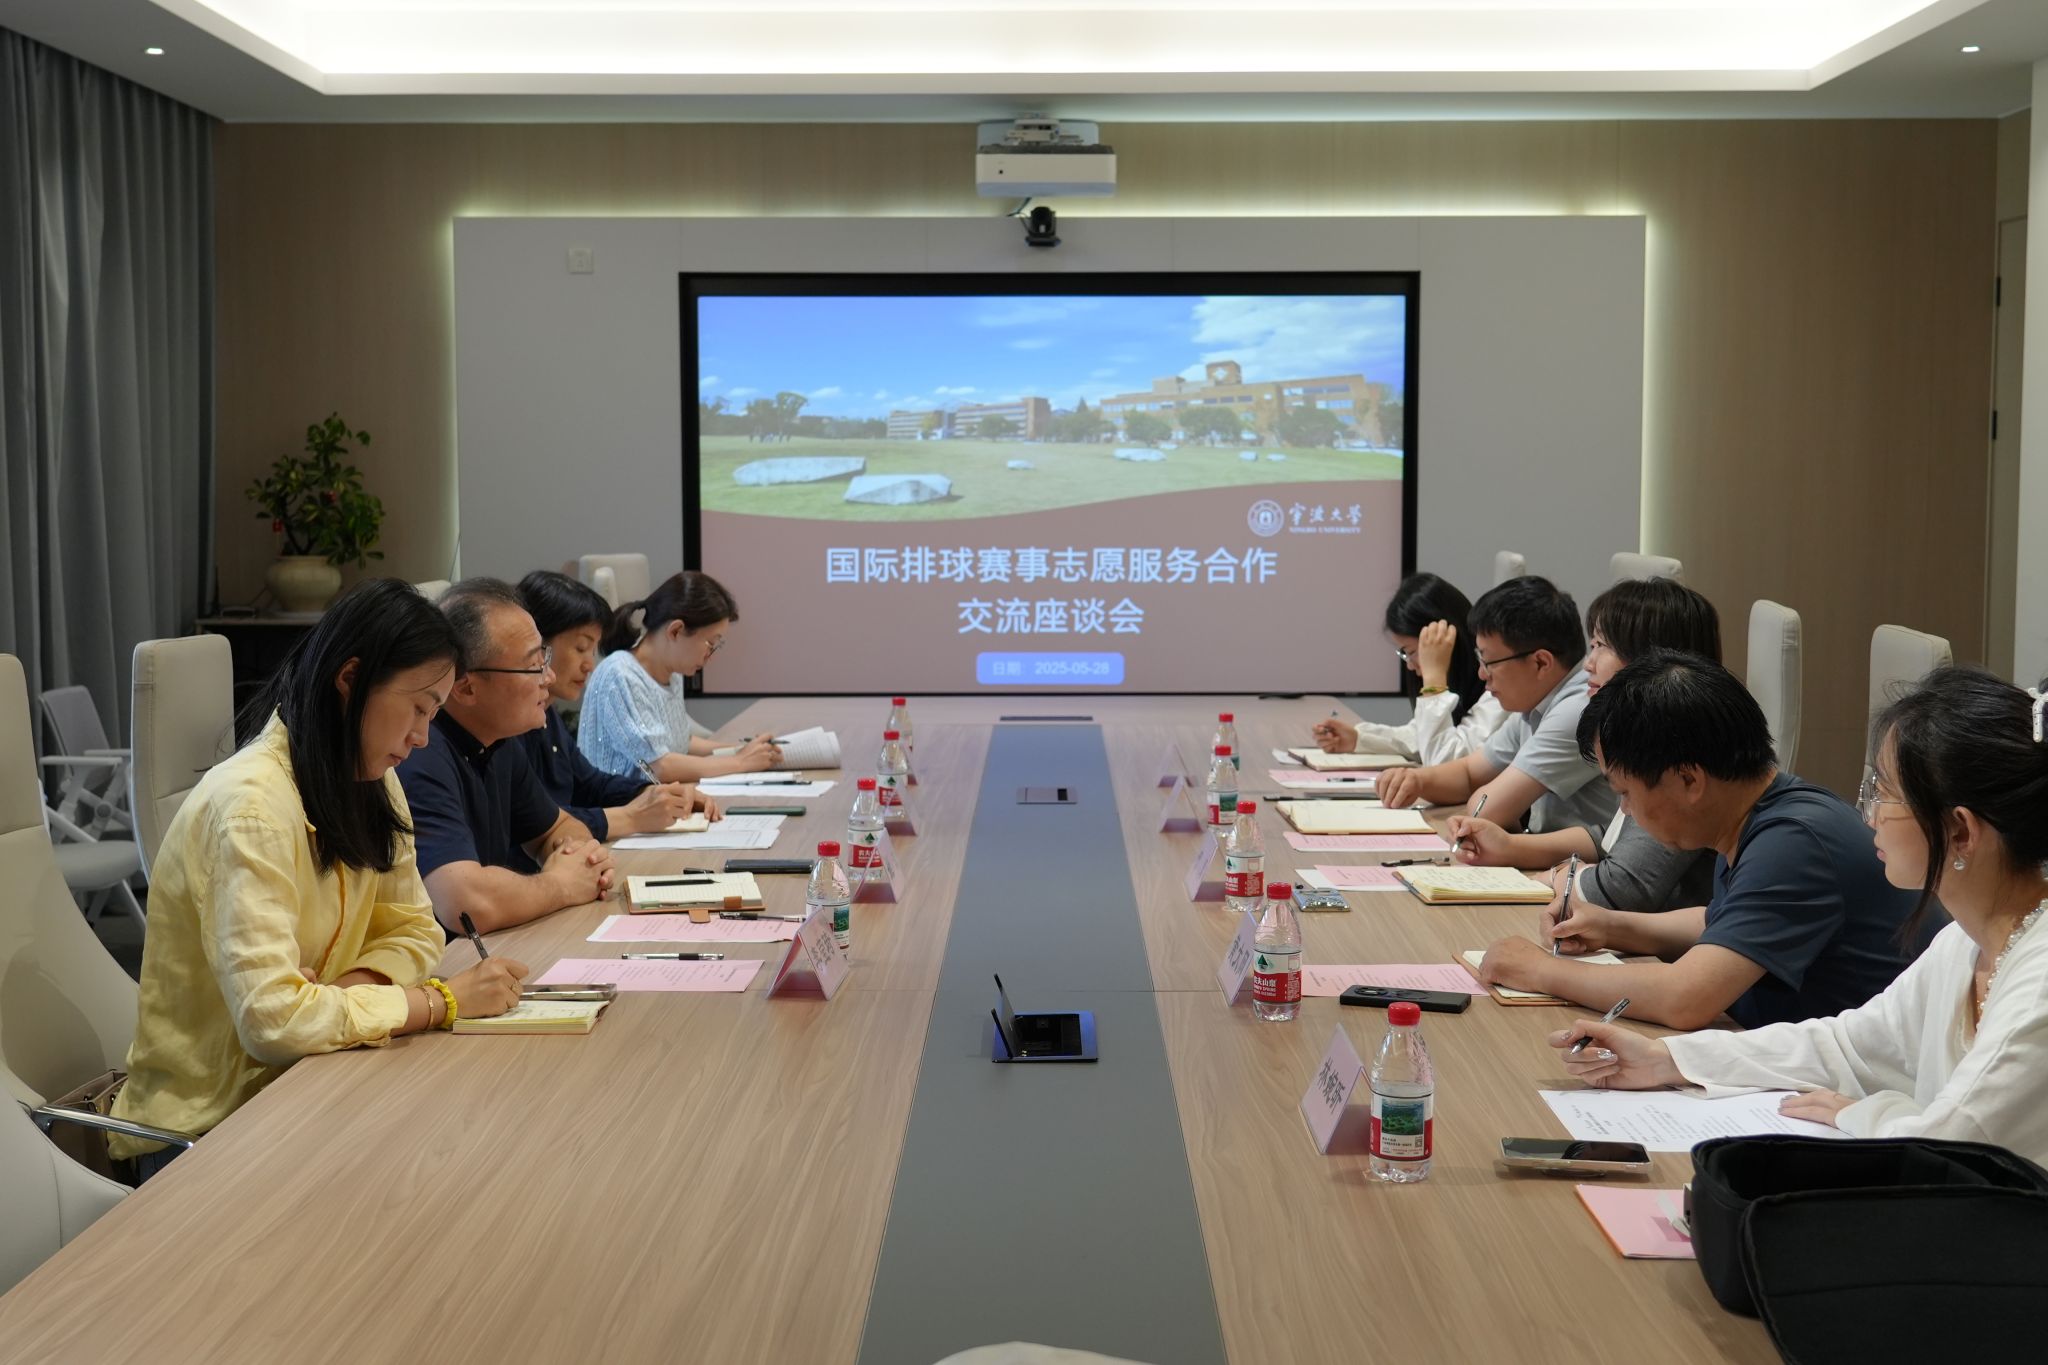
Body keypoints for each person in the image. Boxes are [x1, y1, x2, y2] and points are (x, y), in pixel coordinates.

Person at [110, 580, 528, 1180]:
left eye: (433, 715)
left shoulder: (373, 782)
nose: (422, 737)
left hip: (306, 1085)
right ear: (351, 678)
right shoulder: (252, 808)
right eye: (418, 709)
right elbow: (274, 1024)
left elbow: (417, 931)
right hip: (208, 1134)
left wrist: (333, 997)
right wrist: (439, 1002)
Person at [1555, 668, 2048, 1163]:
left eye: (1885, 793)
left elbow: (1956, 1149)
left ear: (1959, 832)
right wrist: (1667, 1058)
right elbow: (1849, 1045)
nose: (1869, 814)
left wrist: (1866, 1113)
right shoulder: (1964, 943)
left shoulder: (2038, 980)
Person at [1475, 650, 1923, 1030]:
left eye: (1624, 792)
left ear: (1689, 780)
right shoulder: (1762, 811)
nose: (1625, 811)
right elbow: (1723, 921)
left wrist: (1540, 970)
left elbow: (1685, 998)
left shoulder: (1795, 843)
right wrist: (1612, 927)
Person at [1450, 578, 1722, 913]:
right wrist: (1509, 846)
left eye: (1601, 646)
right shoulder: (1648, 734)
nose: (1588, 664)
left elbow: (1625, 887)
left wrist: (1554, 878)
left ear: (1651, 659)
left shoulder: (1679, 748)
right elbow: (1612, 838)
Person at [397, 578, 616, 933]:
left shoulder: (499, 741)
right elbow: (464, 905)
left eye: (545, 659)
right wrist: (561, 884)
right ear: (466, 687)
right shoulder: (419, 752)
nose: (549, 677)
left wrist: (576, 857)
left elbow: (557, 827)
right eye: (534, 666)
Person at [1375, 575, 1617, 838]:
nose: (1482, 674)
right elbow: (1468, 774)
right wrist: (1416, 780)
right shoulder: (1536, 705)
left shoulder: (1578, 710)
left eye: (1488, 662)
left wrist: (1485, 802)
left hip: (1584, 861)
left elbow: (1486, 809)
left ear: (1541, 663)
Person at [513, 570, 720, 845]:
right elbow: (535, 823)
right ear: (536, 647)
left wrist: (653, 793)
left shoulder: (547, 716)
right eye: (580, 648)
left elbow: (590, 783)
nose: (590, 665)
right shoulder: (508, 727)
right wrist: (632, 816)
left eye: (592, 651)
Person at [577, 571, 780, 783]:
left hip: (656, 798)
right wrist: (740, 762)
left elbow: (680, 742)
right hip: (620, 803)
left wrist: (741, 750)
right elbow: (659, 767)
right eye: (711, 644)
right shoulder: (620, 674)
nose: (710, 656)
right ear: (675, 631)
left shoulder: (672, 675)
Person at [1309, 572, 1507, 764]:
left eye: (1411, 652)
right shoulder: (1465, 685)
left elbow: (1443, 761)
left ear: (1446, 642)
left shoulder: (1499, 692)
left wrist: (1434, 679)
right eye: (1404, 654)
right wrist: (1359, 739)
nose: (1410, 665)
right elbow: (1419, 738)